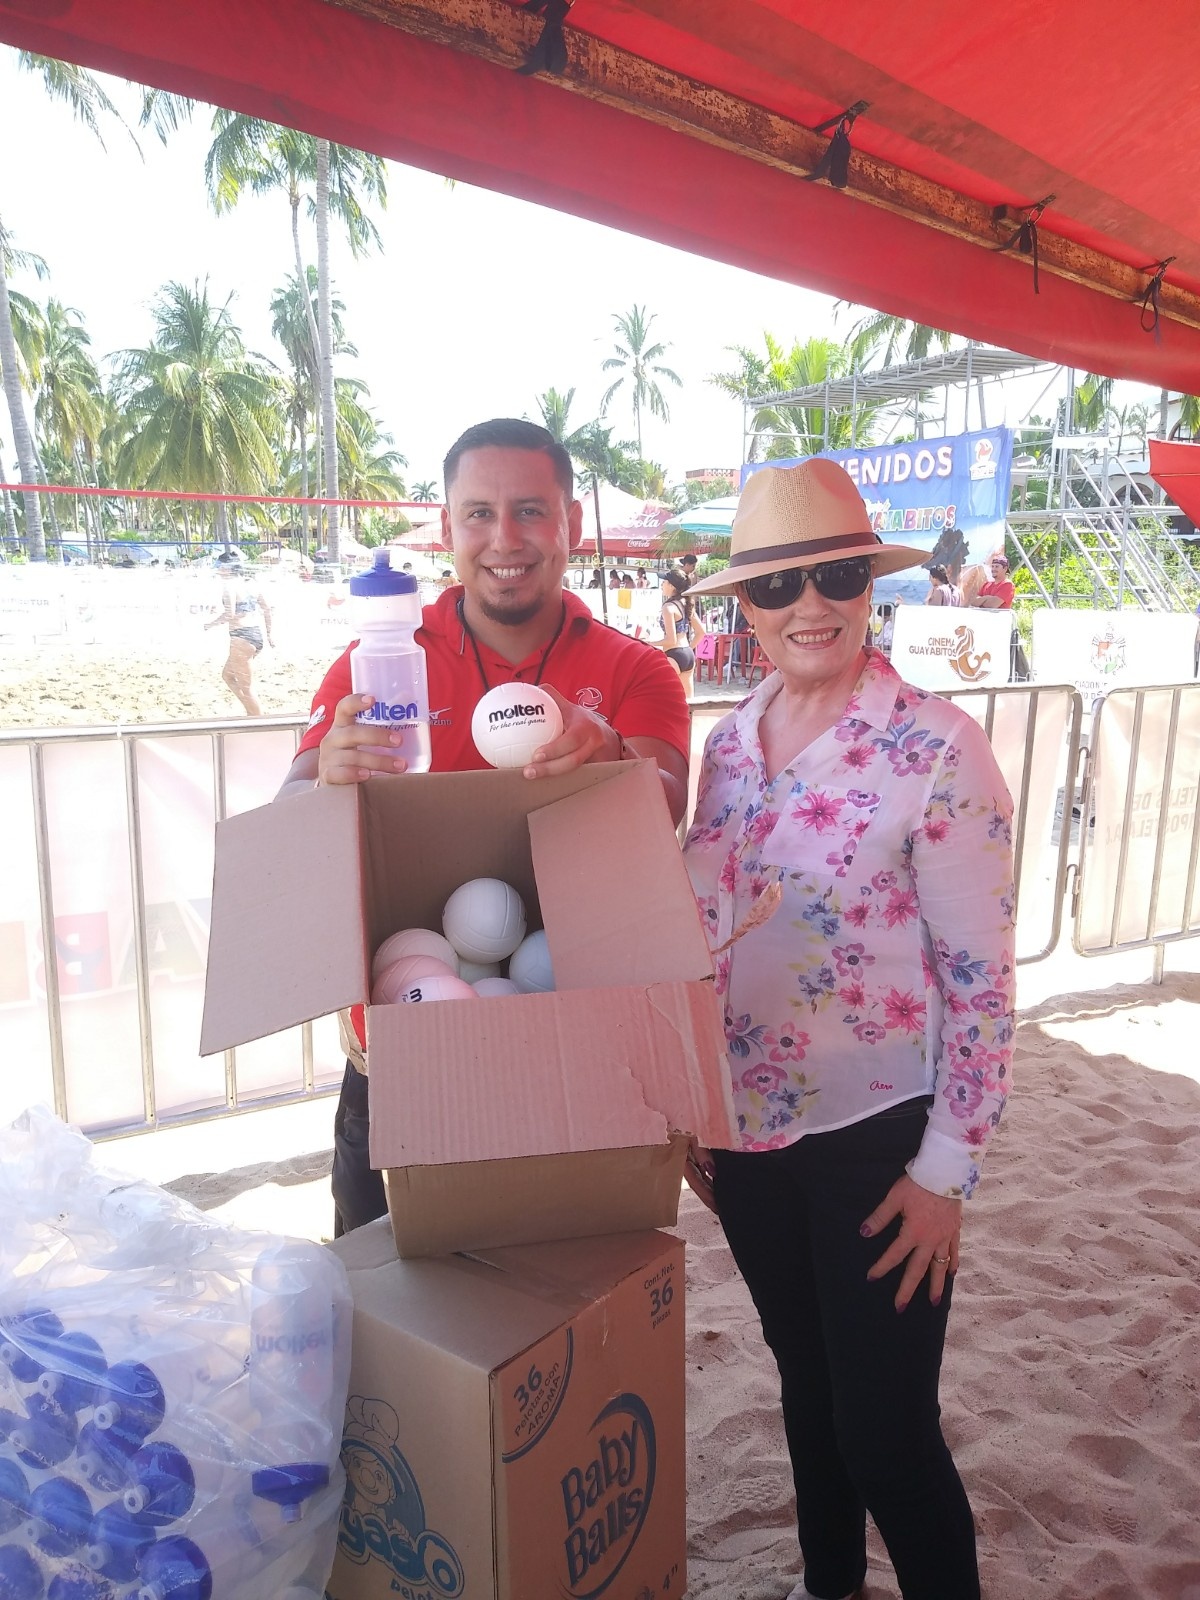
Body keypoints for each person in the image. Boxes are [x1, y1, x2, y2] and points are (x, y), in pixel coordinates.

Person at [681, 458, 1015, 1600]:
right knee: (806, 1391)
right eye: (779, 587)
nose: (809, 605)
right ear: (746, 608)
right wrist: (689, 1106)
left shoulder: (938, 748)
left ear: (872, 584)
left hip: (881, 1138)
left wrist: (947, 1174)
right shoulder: (729, 743)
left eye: (834, 574)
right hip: (745, 1134)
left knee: (886, 1432)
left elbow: (983, 982)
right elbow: (699, 932)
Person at [276, 418, 691, 1236]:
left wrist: (611, 756)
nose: (506, 538)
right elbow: (288, 812)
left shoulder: (632, 667)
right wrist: (326, 778)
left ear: (570, 524)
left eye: (532, 510)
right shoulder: (385, 658)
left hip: (577, 1038)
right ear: (446, 527)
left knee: (571, 1291)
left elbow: (668, 804)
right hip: (401, 1046)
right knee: (387, 1302)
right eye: (479, 514)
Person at [204, 553, 274, 716]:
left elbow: (230, 614)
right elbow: (267, 609)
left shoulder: (229, 587)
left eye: (220, 567)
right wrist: (270, 634)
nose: (219, 570)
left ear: (227, 568)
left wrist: (210, 624)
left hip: (241, 637)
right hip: (255, 635)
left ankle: (258, 719)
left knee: (246, 687)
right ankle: (252, 712)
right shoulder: (252, 584)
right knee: (228, 676)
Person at [658, 567, 705, 699]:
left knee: (665, 699)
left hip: (673, 654)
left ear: (672, 586)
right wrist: (688, 649)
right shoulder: (686, 604)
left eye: (664, 582)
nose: (662, 584)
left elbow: (671, 640)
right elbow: (701, 632)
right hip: (687, 654)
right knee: (688, 702)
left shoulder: (668, 607)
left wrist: (649, 642)